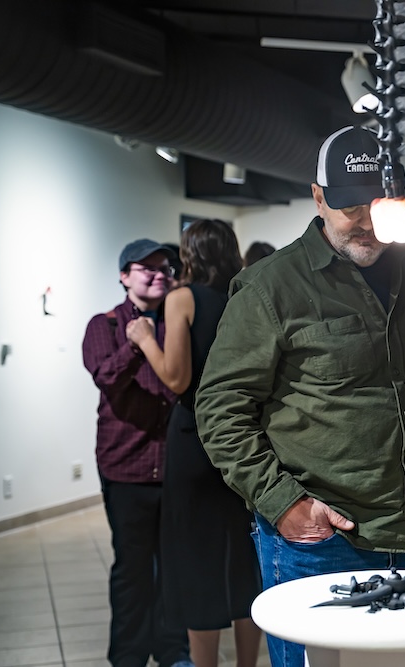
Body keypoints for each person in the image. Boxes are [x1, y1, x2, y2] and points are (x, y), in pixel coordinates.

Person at [195, 126, 405, 667]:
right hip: (316, 539)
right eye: (349, 207)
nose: (366, 222)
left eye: (381, 206)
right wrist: (284, 504)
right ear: (318, 198)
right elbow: (221, 411)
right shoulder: (269, 287)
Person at [127, 221, 262, 667]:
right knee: (244, 559)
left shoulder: (182, 298)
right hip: (245, 439)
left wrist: (146, 339)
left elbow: (176, 378)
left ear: (189, 253)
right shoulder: (247, 296)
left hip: (193, 440)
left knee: (195, 560)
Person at [81, 240, 192, 667]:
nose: (157, 274)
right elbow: (106, 377)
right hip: (125, 466)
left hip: (174, 468)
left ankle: (173, 651)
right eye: (145, 268)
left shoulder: (178, 322)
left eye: (164, 267)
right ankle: (128, 656)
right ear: (124, 276)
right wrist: (137, 341)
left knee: (173, 567)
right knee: (131, 569)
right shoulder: (104, 325)